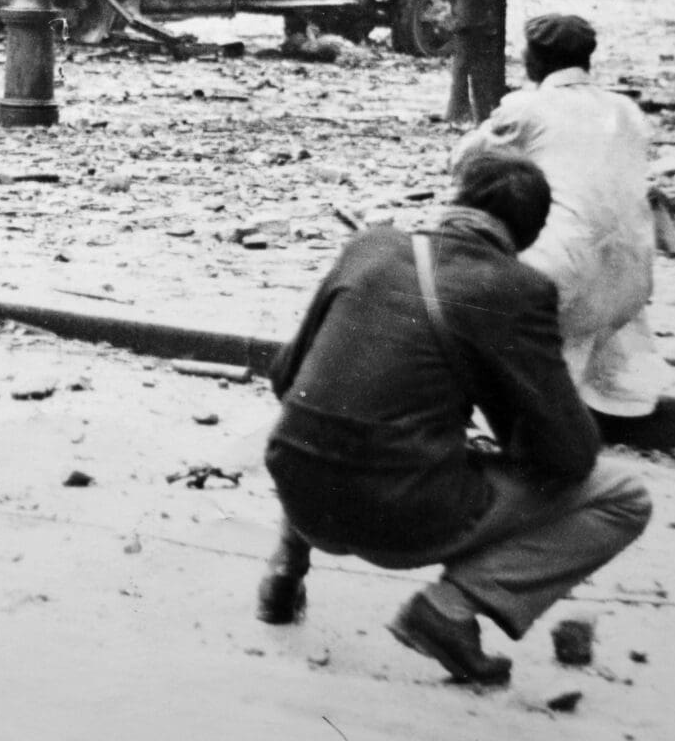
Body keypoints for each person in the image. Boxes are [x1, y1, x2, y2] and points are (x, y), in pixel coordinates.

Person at [255, 153, 651, 685]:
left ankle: (286, 566)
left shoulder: (369, 247)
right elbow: (571, 454)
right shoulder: (516, 288)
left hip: (298, 491)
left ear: (457, 199)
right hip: (398, 517)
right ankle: (451, 609)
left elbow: (286, 377)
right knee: (623, 496)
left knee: (336, 411)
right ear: (528, 236)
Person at [451, 13, 675, 419]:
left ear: (533, 60)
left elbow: (464, 165)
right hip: (632, 284)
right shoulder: (627, 110)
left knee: (476, 215)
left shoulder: (527, 107)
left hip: (561, 280)